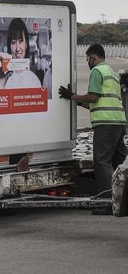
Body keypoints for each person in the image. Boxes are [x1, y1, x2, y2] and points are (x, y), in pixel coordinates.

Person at [59, 43, 127, 215]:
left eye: (88, 58)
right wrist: (77, 101)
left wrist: (72, 95)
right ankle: (123, 200)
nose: (88, 61)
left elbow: (93, 97)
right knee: (120, 163)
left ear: (93, 57)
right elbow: (99, 102)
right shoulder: (111, 72)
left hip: (105, 124)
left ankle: (106, 202)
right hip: (118, 122)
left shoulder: (96, 71)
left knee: (102, 162)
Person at [0, 18, 41, 90]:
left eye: (20, 42)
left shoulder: (34, 80)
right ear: (9, 46)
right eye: (13, 42)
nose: (17, 48)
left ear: (26, 44)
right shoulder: (4, 79)